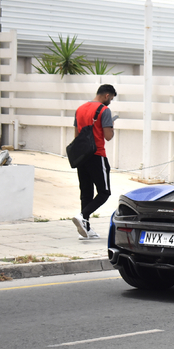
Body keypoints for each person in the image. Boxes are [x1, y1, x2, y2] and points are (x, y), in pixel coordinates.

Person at [72, 84, 117, 239]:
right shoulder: (104, 110)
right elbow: (108, 136)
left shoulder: (80, 109)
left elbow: (77, 135)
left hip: (82, 156)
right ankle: (82, 215)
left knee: (86, 192)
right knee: (104, 192)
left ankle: (86, 230)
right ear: (106, 95)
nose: (110, 101)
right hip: (97, 155)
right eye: (110, 98)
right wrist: (112, 126)